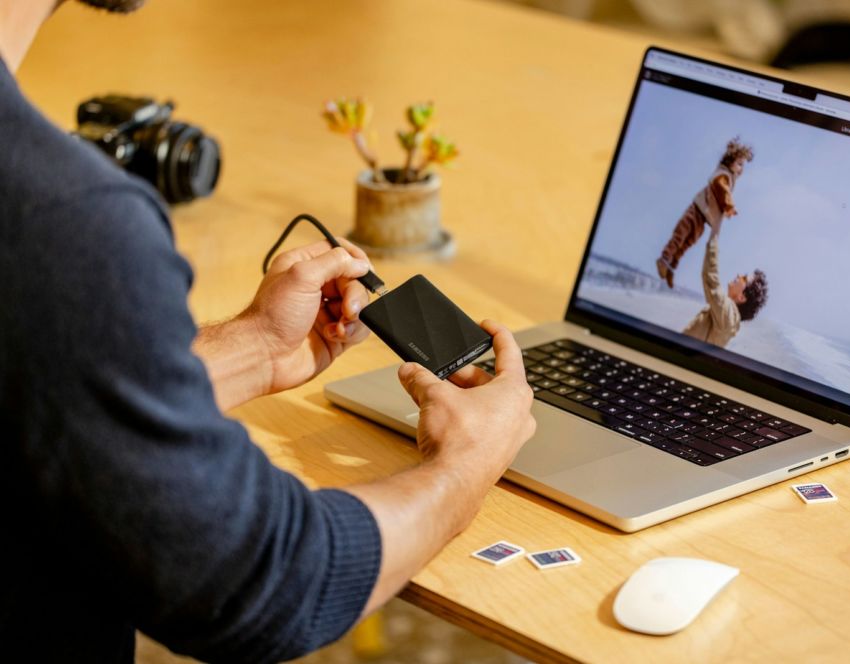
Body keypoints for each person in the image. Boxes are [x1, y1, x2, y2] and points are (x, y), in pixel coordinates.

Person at [0, 1, 536, 662]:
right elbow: (260, 577)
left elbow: (29, 367)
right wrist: (468, 463)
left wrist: (249, 349)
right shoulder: (64, 220)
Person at [657, 137, 754, 288]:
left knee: (688, 242)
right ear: (730, 161)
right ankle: (664, 259)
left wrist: (726, 209)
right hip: (696, 210)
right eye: (739, 164)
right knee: (680, 234)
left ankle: (672, 267)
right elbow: (721, 189)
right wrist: (729, 206)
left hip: (704, 218)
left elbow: (724, 194)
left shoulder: (730, 179)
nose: (741, 168)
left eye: (743, 166)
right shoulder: (723, 174)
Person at [682, 215, 769, 348]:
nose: (739, 275)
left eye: (744, 278)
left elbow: (711, 280)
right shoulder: (726, 316)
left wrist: (714, 235)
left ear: (741, 297)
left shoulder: (729, 318)